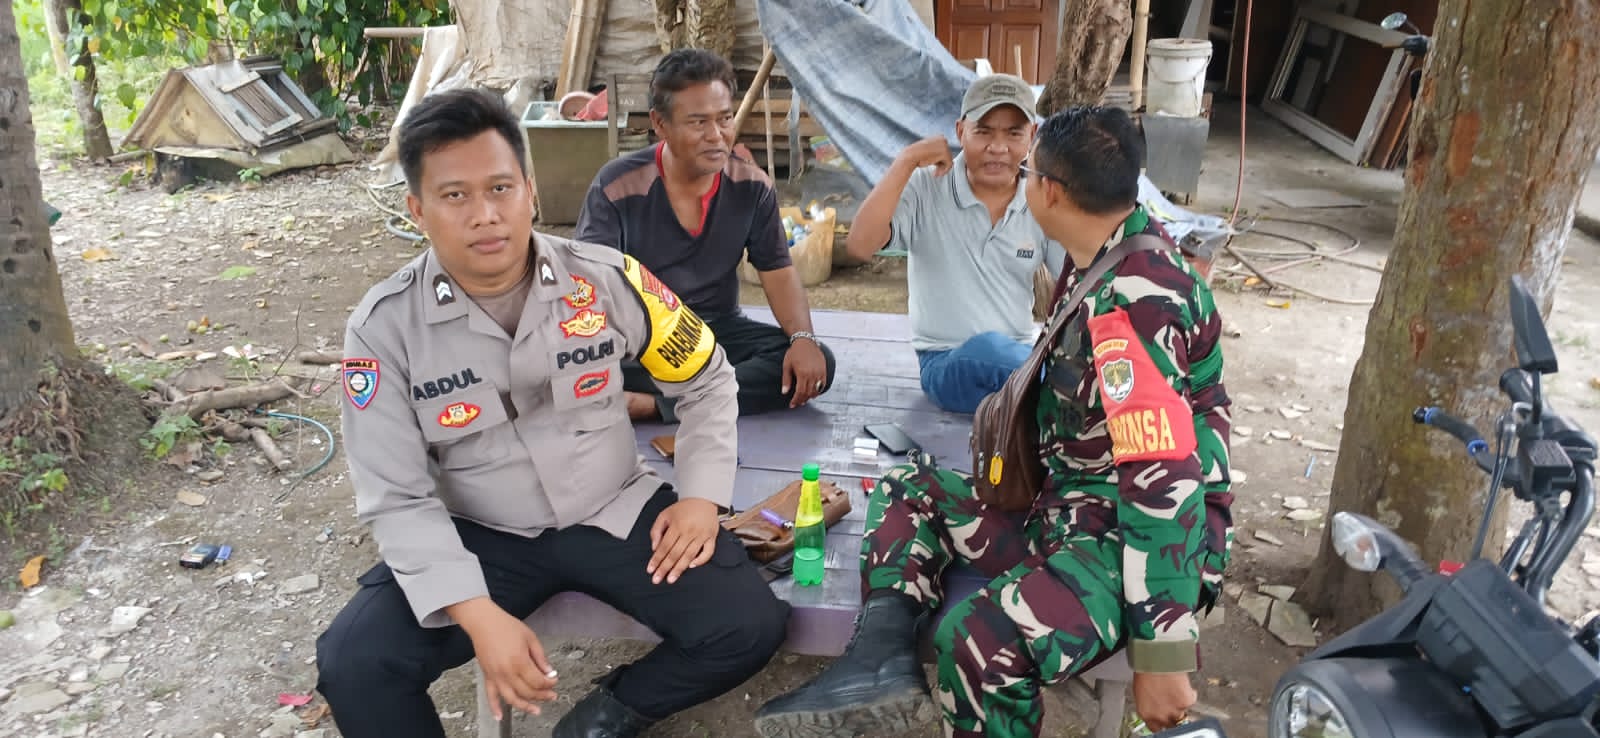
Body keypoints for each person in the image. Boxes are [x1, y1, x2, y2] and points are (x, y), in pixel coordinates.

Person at [314, 88, 789, 738]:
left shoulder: (607, 280)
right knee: (355, 664)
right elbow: (396, 496)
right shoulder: (382, 329)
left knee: (747, 624)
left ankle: (601, 720)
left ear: (530, 193)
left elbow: (706, 377)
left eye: (500, 188)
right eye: (455, 195)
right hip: (480, 530)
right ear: (417, 211)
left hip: (612, 508)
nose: (486, 214)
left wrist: (702, 499)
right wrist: (478, 614)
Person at [755, 106, 1235, 738]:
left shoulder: (1134, 305)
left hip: (1131, 546)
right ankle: (877, 666)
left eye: (1028, 168)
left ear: (1051, 191)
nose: (1017, 172)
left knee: (978, 643)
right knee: (908, 489)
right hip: (1065, 506)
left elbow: (1161, 479)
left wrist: (1163, 653)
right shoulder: (1104, 250)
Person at [577, 48, 836, 423]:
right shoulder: (617, 186)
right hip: (640, 339)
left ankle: (653, 404)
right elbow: (590, 287)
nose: (716, 136)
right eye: (698, 123)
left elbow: (778, 271)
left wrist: (803, 339)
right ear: (660, 124)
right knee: (576, 368)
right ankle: (706, 393)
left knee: (815, 363)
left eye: (724, 118)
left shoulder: (752, 187)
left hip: (715, 334)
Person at [842, 73, 1067, 414]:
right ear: (961, 131)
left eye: (1013, 133)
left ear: (1032, 135)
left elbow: (1076, 279)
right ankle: (1066, 398)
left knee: (1015, 400)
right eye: (984, 131)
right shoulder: (927, 186)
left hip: (1019, 361)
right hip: (946, 364)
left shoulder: (1040, 196)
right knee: (989, 351)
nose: (998, 147)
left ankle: (1041, 405)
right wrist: (906, 160)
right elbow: (859, 246)